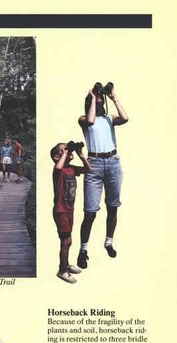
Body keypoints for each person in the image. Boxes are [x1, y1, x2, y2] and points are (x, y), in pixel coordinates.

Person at [76, 83, 129, 269]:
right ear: (90, 101)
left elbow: (125, 118)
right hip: (94, 165)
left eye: (100, 98)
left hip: (113, 162)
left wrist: (113, 97)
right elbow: (90, 121)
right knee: (90, 212)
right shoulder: (83, 119)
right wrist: (92, 96)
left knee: (113, 208)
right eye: (95, 98)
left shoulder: (109, 118)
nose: (98, 100)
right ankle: (83, 250)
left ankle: (108, 242)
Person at [51, 142, 92, 283]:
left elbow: (89, 170)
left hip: (69, 210)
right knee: (66, 241)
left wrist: (81, 155)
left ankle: (66, 265)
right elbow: (58, 166)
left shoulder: (71, 169)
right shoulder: (58, 171)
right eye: (63, 150)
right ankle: (62, 270)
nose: (68, 152)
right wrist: (66, 152)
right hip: (61, 211)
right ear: (57, 157)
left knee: (68, 241)